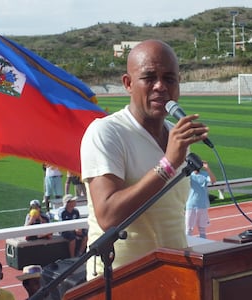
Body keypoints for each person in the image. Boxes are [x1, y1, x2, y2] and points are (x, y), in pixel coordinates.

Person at [80, 39, 210, 279]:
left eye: (169, 79)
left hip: (173, 276)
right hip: (120, 281)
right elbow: (108, 216)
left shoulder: (177, 137)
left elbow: (170, 214)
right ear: (128, 83)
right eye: (149, 78)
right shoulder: (106, 132)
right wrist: (168, 164)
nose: (160, 86)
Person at [185, 160, 217, 238]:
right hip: (191, 205)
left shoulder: (205, 175)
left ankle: (203, 248)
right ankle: (187, 249)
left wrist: (207, 169)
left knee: (202, 229)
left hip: (202, 205)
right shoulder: (189, 176)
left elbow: (213, 181)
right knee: (188, 230)